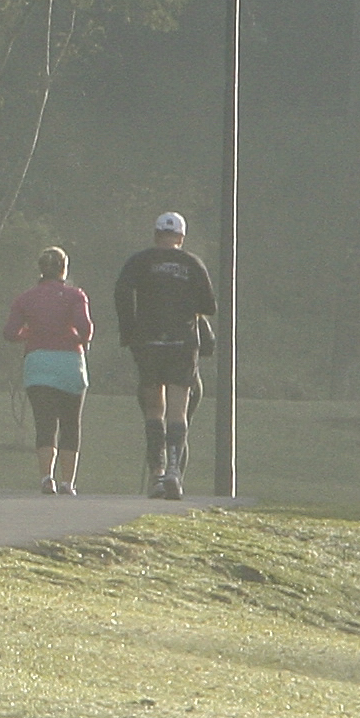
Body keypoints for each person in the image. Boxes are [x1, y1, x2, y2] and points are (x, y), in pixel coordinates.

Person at [113, 211, 221, 501]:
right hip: (182, 344)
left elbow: (122, 292)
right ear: (181, 238)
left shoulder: (139, 262)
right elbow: (209, 306)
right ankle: (175, 469)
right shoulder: (191, 263)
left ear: (156, 235)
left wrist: (129, 332)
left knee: (153, 410)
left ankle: (157, 473)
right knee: (178, 409)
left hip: (148, 342)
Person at [4, 245, 95, 497]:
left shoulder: (25, 299)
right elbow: (86, 329)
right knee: (70, 424)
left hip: (38, 364)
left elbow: (10, 333)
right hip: (69, 364)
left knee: (45, 424)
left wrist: (30, 333)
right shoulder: (75, 296)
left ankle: (46, 478)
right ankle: (68, 483)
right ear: (64, 269)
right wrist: (75, 337)